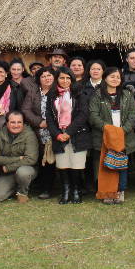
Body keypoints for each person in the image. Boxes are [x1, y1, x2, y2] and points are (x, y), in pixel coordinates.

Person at [88, 67, 135, 204]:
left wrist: (123, 130)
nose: (115, 79)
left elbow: (133, 114)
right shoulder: (97, 95)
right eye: (112, 76)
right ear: (105, 78)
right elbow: (93, 115)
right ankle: (107, 192)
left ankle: (120, 191)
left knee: (120, 164)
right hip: (104, 136)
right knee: (106, 164)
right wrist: (108, 129)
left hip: (123, 135)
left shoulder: (127, 94)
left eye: (118, 77)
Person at [46, 68, 91, 204]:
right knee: (63, 164)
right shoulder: (52, 95)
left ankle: (76, 190)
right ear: (57, 79)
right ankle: (66, 190)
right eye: (62, 78)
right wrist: (57, 134)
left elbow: (83, 115)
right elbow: (49, 117)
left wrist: (68, 133)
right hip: (59, 135)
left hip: (77, 133)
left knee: (76, 164)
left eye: (68, 78)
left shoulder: (79, 94)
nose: (65, 81)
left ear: (72, 79)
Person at [21, 67, 57, 199]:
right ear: (39, 79)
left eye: (49, 75)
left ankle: (48, 189)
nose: (47, 78)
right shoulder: (33, 92)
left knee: (49, 160)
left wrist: (51, 123)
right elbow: (25, 109)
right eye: (43, 76)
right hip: (37, 131)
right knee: (39, 159)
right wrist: (39, 122)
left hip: (55, 131)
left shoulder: (58, 91)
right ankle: (39, 186)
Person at [0, 111, 39, 203]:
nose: (16, 125)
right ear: (6, 123)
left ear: (23, 123)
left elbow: (31, 159)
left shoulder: (30, 135)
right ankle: (15, 186)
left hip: (27, 169)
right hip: (8, 173)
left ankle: (22, 193)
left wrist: (9, 167)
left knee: (22, 172)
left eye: (19, 122)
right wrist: (18, 158)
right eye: (13, 122)